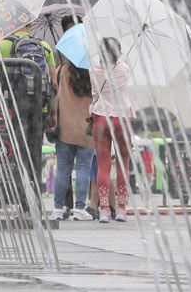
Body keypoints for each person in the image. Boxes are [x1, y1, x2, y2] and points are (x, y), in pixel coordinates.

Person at [88, 40, 135, 221]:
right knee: (123, 163)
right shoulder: (123, 69)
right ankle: (121, 208)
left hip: (100, 117)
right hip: (120, 118)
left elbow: (94, 93)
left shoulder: (93, 70)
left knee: (103, 166)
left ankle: (105, 210)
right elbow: (122, 63)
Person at [51, 57, 97, 220]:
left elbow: (54, 93)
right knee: (84, 168)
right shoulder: (93, 73)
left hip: (65, 125)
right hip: (87, 127)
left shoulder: (62, 71)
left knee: (63, 169)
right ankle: (79, 209)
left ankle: (57, 208)